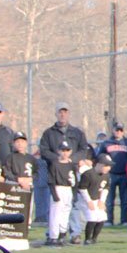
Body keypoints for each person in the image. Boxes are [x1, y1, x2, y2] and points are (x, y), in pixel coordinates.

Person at [40, 101, 89, 243]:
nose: (62, 114)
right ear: (56, 114)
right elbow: (44, 150)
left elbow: (83, 149)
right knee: (55, 204)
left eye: (65, 111)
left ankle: (74, 233)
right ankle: (53, 234)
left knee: (72, 203)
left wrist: (71, 159)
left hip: (72, 170)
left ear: (68, 113)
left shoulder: (77, 132)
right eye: (60, 112)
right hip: (55, 172)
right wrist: (58, 159)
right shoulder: (49, 133)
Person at [97, 122, 127, 225]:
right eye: (117, 130)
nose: (118, 132)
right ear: (113, 130)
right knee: (109, 199)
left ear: (123, 131)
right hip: (111, 174)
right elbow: (100, 156)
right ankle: (109, 220)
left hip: (124, 174)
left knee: (124, 200)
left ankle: (124, 221)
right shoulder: (107, 143)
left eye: (120, 130)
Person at [46, 140, 77, 246]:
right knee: (55, 214)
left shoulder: (72, 165)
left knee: (65, 213)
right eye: (63, 150)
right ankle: (53, 236)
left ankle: (62, 235)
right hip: (58, 188)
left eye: (67, 150)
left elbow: (75, 181)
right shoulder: (55, 164)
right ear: (58, 151)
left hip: (68, 189)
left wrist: (74, 194)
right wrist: (54, 195)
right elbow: (51, 181)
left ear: (71, 151)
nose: (65, 153)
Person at [78, 153, 113, 244]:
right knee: (92, 217)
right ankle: (87, 239)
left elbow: (105, 189)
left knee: (102, 217)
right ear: (99, 164)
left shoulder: (106, 175)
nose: (108, 168)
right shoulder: (88, 174)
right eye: (106, 165)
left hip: (97, 199)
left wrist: (102, 201)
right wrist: (89, 201)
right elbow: (82, 189)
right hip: (86, 199)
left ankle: (94, 238)